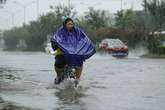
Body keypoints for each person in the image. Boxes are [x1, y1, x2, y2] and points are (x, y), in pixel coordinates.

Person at [51, 18, 96, 84]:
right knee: (58, 63)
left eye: (72, 24)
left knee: (80, 60)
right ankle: (58, 76)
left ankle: (77, 79)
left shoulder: (77, 31)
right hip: (62, 53)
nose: (71, 25)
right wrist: (58, 46)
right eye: (69, 24)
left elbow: (83, 40)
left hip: (75, 53)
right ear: (65, 24)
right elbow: (55, 39)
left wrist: (82, 48)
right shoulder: (60, 32)